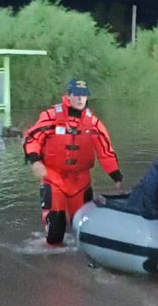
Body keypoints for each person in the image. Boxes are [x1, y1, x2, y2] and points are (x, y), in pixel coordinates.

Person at [23, 76, 123, 245]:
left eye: (83, 95)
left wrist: (116, 176)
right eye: (76, 94)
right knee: (56, 231)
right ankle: (52, 261)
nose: (79, 99)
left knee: (83, 231)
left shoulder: (94, 123)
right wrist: (35, 161)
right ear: (68, 95)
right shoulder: (51, 116)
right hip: (54, 177)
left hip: (80, 181)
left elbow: (105, 151)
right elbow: (33, 139)